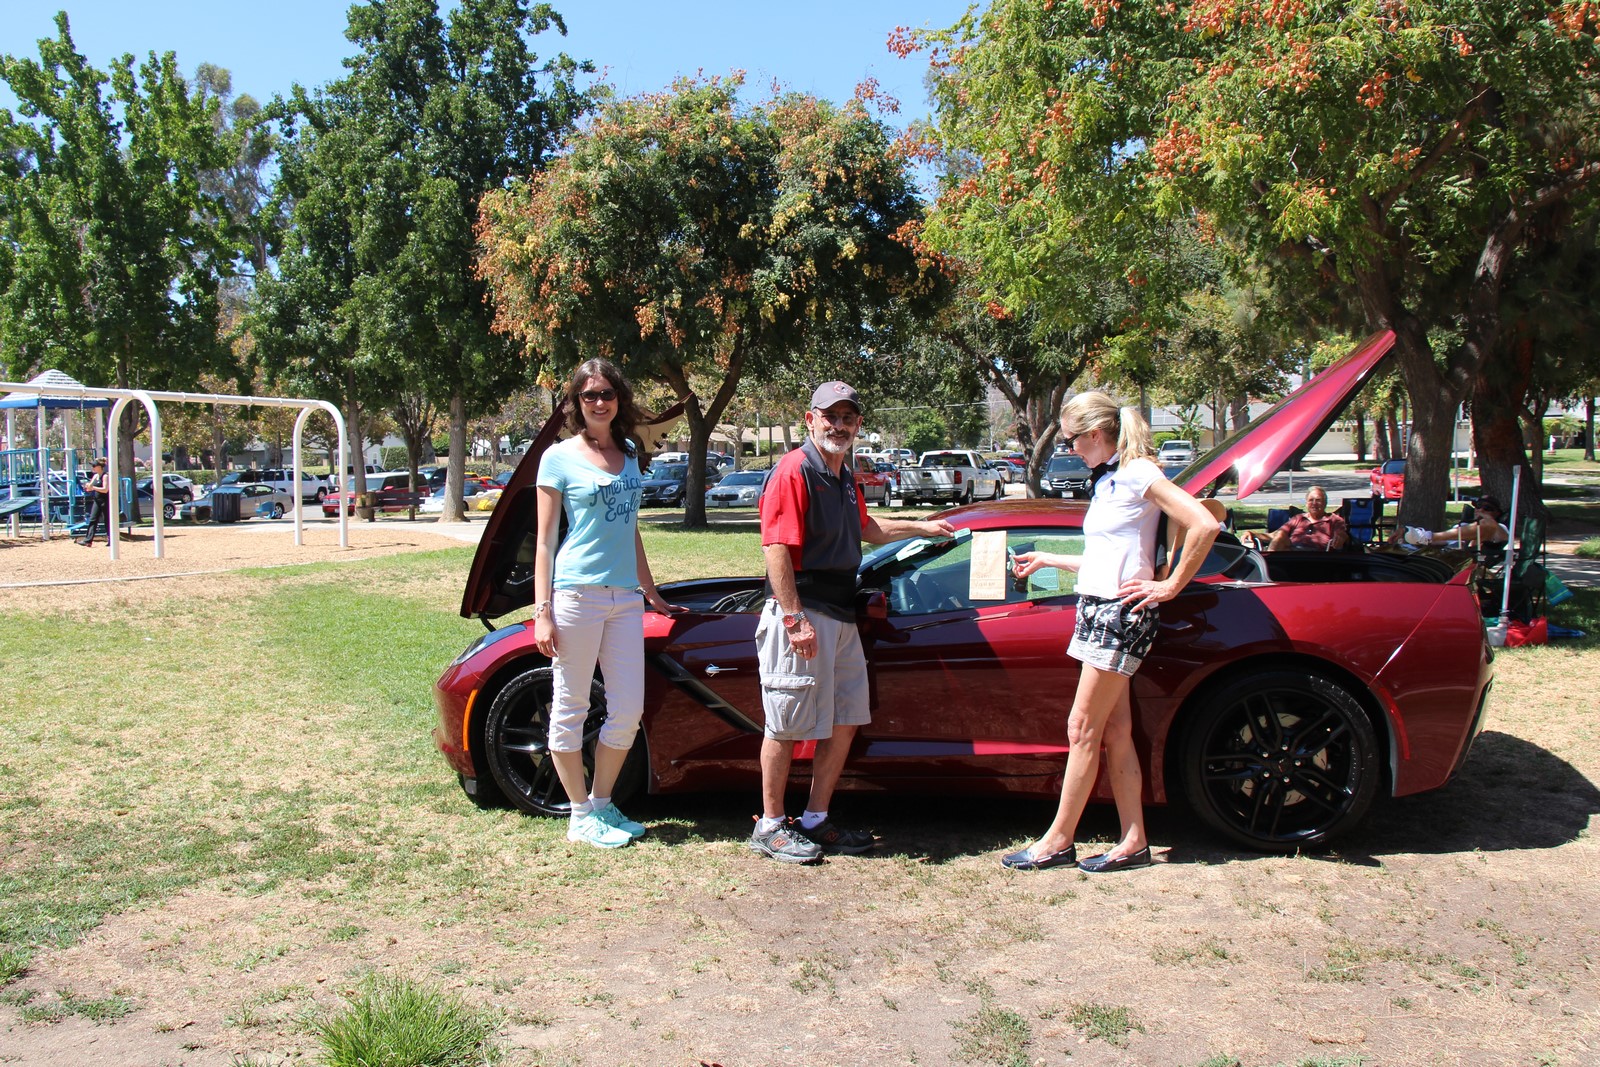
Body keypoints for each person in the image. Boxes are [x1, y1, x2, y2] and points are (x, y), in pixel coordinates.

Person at [1005, 393, 1218, 873]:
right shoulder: (1108, 481)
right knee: (1116, 731)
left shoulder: (1140, 472)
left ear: (1096, 434)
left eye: (1072, 440)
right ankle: (1134, 841)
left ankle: (1058, 841)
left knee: (1081, 728)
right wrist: (1049, 560)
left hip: (1119, 615)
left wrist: (1169, 586)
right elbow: (1106, 558)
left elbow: (1204, 523)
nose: (1071, 449)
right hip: (1097, 609)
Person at [749, 381, 956, 864]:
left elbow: (867, 529)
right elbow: (775, 547)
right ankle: (772, 825)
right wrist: (794, 618)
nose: (839, 425)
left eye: (848, 418)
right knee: (784, 723)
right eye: (830, 416)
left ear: (858, 424)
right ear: (810, 419)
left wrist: (925, 527)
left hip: (840, 615)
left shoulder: (844, 474)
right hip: (803, 613)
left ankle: (816, 819)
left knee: (843, 722)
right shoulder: (794, 470)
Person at [532, 358, 679, 850]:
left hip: (624, 600)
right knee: (571, 706)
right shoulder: (557, 457)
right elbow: (546, 540)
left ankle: (601, 802)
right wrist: (543, 610)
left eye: (607, 393)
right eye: (589, 394)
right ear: (575, 402)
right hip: (576, 594)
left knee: (627, 710)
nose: (599, 402)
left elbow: (629, 527)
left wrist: (651, 591)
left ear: (620, 399)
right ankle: (578, 813)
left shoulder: (631, 452)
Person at [1403, 495, 1510, 551]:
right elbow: (1441, 542)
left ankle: (1427, 536)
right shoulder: (1462, 526)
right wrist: (1409, 537)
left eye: (1487, 508)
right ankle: (1424, 537)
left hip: (1468, 565)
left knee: (1484, 524)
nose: (1481, 510)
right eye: (1478, 506)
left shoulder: (1497, 527)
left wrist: (1485, 518)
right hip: (1446, 558)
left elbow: (1504, 538)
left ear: (1497, 513)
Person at [1265, 486, 1349, 551]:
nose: (1314, 503)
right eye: (1311, 500)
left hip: (1317, 556)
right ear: (1306, 503)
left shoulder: (1334, 519)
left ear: (1325, 503)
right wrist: (1253, 534)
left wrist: (1340, 537)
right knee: (1280, 534)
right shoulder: (1298, 518)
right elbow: (1276, 535)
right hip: (1293, 553)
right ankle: (1269, 565)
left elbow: (1342, 534)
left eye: (1318, 500)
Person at [77, 459, 109, 547]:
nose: (93, 468)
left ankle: (111, 539)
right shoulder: (95, 476)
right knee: (93, 519)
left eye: (94, 466)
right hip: (97, 501)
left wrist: (93, 487)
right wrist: (87, 487)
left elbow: (105, 490)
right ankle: (88, 540)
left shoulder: (105, 476)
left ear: (99, 467)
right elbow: (90, 487)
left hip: (105, 501)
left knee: (108, 520)